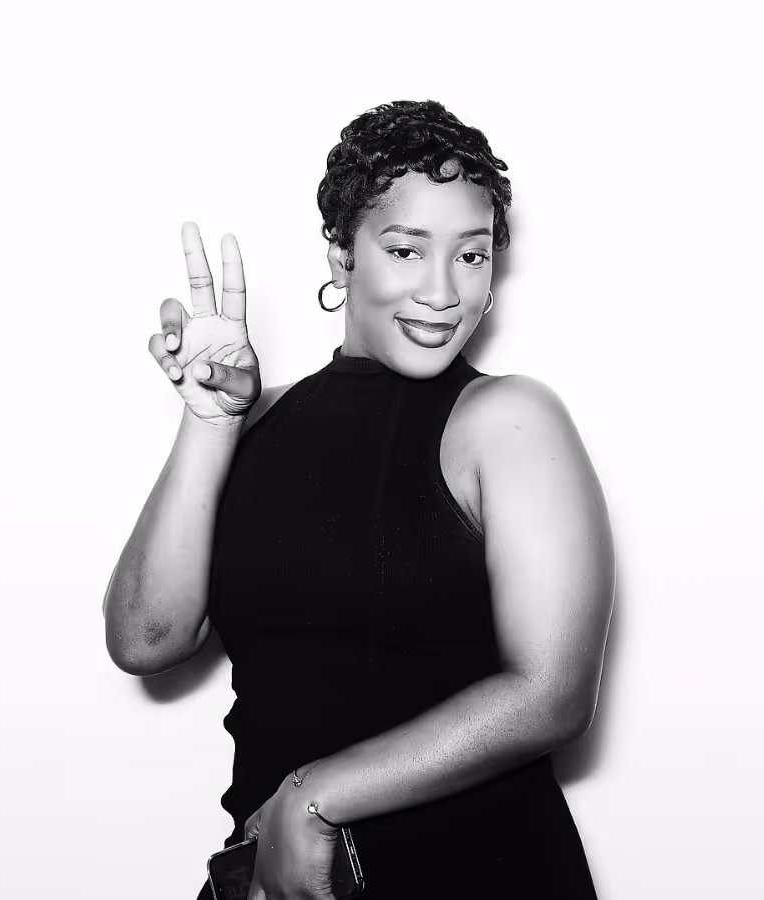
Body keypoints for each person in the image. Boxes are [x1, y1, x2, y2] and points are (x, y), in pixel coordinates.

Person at [103, 99, 616, 899]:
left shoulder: (508, 420)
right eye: (406, 249)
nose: (443, 291)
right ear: (342, 254)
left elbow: (551, 694)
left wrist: (315, 796)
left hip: (481, 872)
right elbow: (145, 638)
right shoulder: (257, 419)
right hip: (278, 882)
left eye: (472, 256)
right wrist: (211, 424)